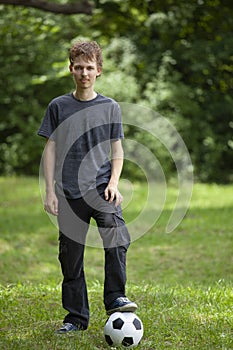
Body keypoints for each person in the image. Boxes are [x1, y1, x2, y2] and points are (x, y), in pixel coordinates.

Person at [37, 41, 137, 334]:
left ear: (99, 71)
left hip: (102, 188)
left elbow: (117, 149)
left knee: (117, 237)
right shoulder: (58, 106)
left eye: (89, 67)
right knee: (70, 256)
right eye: (78, 67)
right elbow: (50, 150)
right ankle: (75, 318)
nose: (84, 73)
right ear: (71, 70)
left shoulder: (109, 107)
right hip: (68, 192)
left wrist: (114, 183)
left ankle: (116, 297)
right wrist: (50, 191)